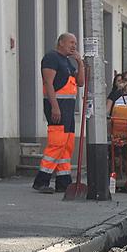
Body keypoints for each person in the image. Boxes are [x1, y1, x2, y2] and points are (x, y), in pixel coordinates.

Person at [34, 33, 87, 194]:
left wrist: (79, 62)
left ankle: (63, 181)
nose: (74, 46)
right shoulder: (51, 58)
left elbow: (81, 82)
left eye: (75, 43)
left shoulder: (68, 62)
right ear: (61, 43)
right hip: (57, 107)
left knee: (67, 145)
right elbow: (48, 83)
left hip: (69, 109)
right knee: (57, 144)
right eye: (71, 42)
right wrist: (55, 107)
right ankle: (42, 181)